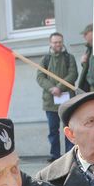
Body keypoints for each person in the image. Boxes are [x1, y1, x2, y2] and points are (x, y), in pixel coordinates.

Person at [36, 32, 77, 162]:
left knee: (68, 129)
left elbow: (73, 74)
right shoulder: (45, 59)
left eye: (59, 42)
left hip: (67, 101)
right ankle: (55, 156)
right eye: (55, 42)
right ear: (50, 43)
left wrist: (60, 87)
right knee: (53, 131)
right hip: (50, 102)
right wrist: (52, 88)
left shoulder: (69, 58)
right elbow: (40, 77)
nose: (57, 44)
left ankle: (70, 155)